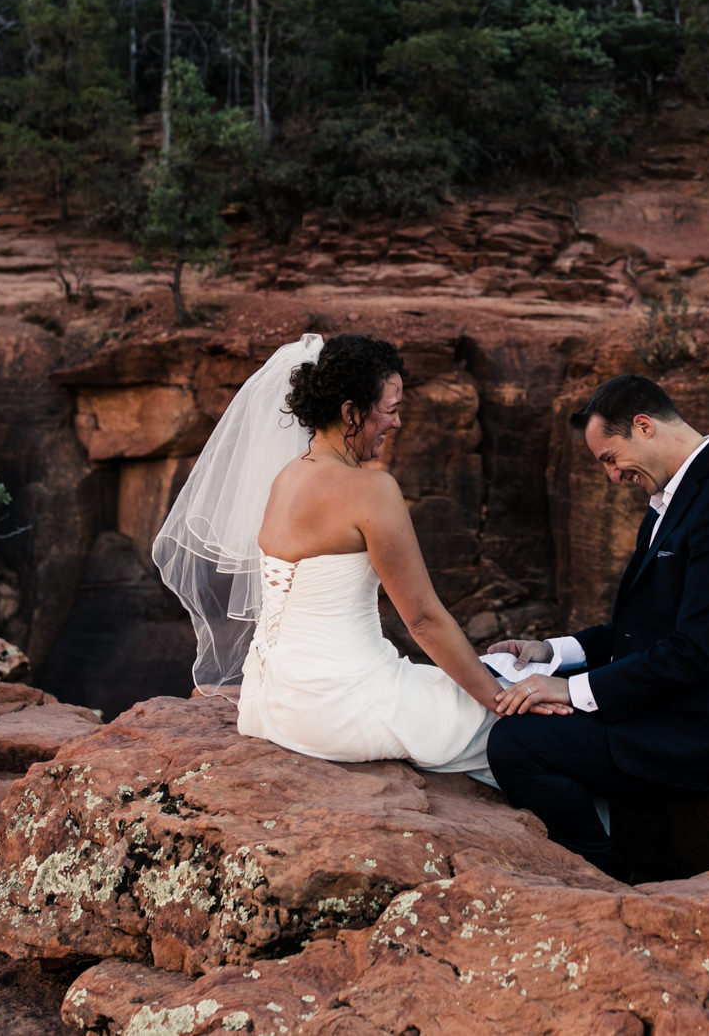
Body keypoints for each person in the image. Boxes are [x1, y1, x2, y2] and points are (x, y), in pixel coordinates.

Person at [152, 332, 522, 783]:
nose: (398, 422)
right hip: (341, 708)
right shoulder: (371, 491)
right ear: (350, 412)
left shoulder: (285, 478)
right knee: (519, 729)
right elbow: (423, 620)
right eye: (391, 410)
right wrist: (497, 700)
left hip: (267, 707)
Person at [486, 374, 709, 879]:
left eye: (610, 458)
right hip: (673, 704)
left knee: (515, 744)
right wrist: (548, 652)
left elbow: (695, 651)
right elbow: (642, 629)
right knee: (526, 729)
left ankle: (605, 876)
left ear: (644, 426)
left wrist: (570, 692)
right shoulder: (671, 499)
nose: (612, 476)